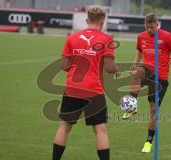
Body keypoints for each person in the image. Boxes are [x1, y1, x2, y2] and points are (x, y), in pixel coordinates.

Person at [52, 7, 119, 160]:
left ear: (87, 20)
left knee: (64, 127)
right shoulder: (106, 39)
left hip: (72, 89)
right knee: (100, 130)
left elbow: (64, 66)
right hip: (93, 90)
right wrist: (116, 68)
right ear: (102, 22)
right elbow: (109, 68)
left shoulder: (72, 37)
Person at [122, 13, 171, 153]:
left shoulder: (167, 36)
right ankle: (131, 107)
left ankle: (148, 142)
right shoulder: (141, 36)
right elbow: (139, 50)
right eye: (147, 27)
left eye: (152, 27)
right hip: (147, 70)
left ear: (157, 24)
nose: (150, 30)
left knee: (153, 111)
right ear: (145, 24)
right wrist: (135, 63)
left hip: (161, 76)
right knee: (137, 72)